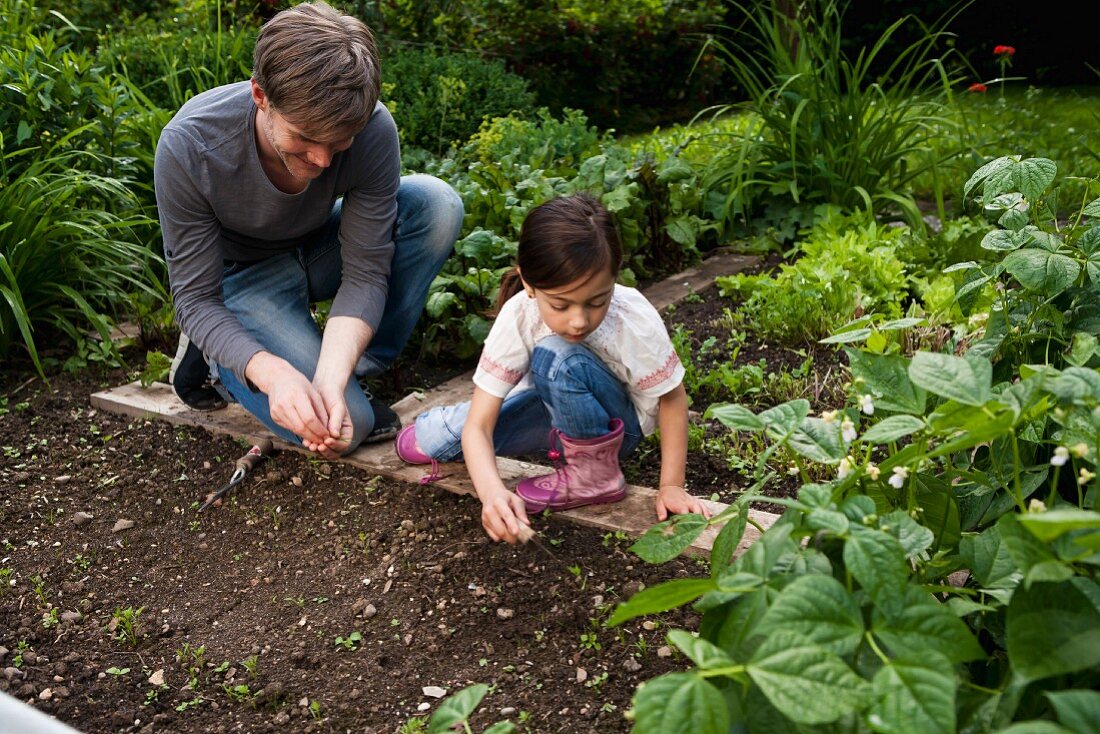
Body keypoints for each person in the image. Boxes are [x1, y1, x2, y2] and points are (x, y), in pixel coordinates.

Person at [154, 1, 463, 459]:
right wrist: (273, 373)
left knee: (435, 205)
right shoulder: (191, 146)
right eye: (304, 138)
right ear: (261, 96)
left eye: (338, 143)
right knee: (346, 430)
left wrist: (332, 377)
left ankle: (355, 369)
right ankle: (221, 360)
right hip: (238, 278)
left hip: (317, 248)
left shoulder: (373, 128)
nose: (322, 161)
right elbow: (196, 297)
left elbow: (364, 271)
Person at [394, 193, 709, 543]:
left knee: (558, 356)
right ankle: (542, 443)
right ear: (528, 282)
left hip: (618, 428)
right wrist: (493, 494)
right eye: (560, 305)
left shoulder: (630, 318)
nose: (579, 321)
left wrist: (671, 486)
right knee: (429, 441)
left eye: (597, 301)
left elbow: (672, 398)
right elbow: (480, 426)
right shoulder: (519, 314)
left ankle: (594, 473)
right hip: (553, 412)